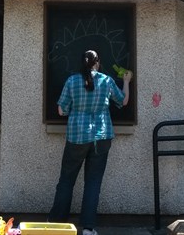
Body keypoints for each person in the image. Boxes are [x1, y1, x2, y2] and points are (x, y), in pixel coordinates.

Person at [48, 50, 133, 235]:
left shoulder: (72, 81)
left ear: (82, 62)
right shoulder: (107, 80)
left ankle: (57, 224)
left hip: (76, 137)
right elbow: (123, 101)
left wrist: (76, 110)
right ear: (98, 63)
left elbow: (61, 110)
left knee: (66, 181)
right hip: (101, 138)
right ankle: (88, 227)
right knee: (93, 182)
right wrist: (126, 82)